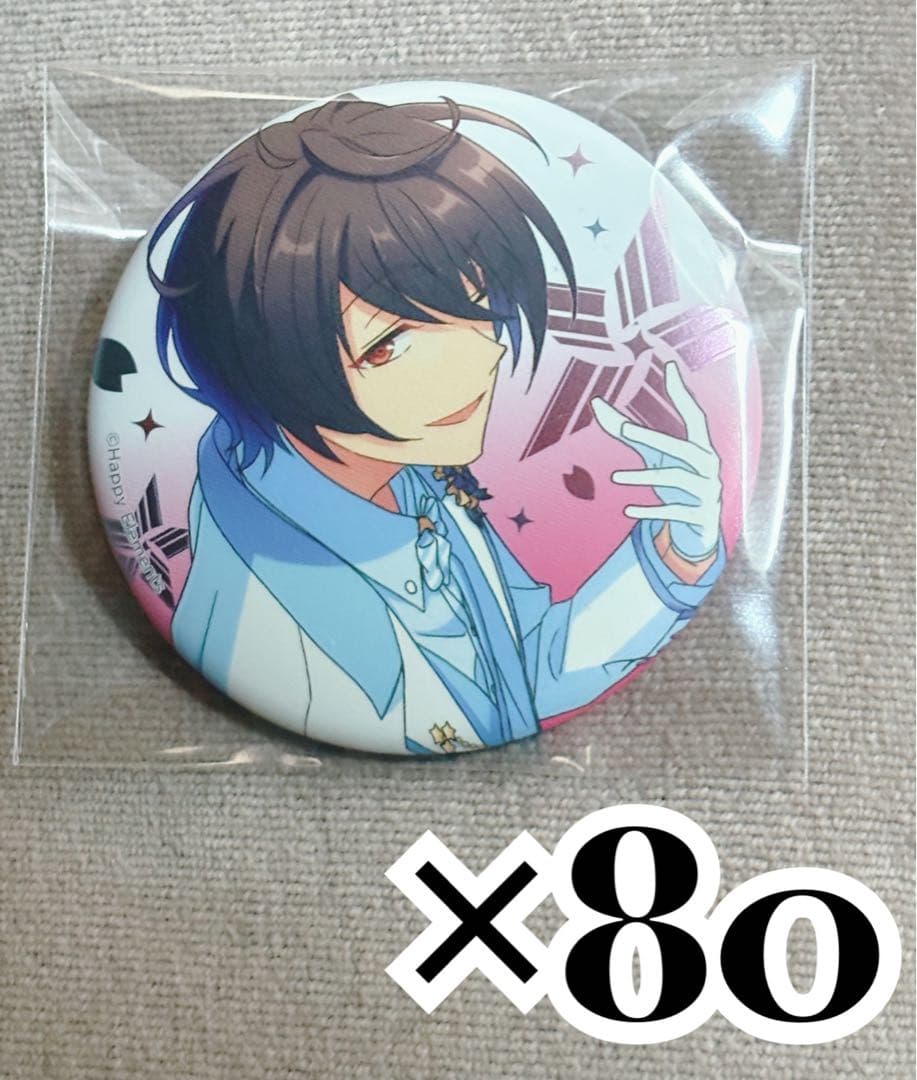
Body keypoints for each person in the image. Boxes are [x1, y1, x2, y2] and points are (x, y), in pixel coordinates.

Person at [147, 95, 725, 755]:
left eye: (479, 304)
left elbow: (527, 670)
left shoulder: (409, 480)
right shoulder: (273, 626)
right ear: (265, 358)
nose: (482, 357)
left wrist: (671, 556)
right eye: (390, 344)